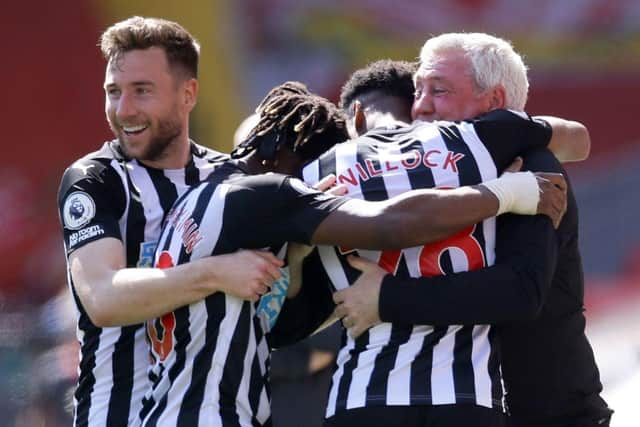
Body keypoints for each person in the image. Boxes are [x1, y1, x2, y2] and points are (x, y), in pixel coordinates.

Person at [139, 82, 565, 426]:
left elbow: (281, 328)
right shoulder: (270, 193)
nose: (309, 185)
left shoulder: (191, 198)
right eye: (305, 173)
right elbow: (390, 224)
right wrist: (508, 193)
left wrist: (301, 258)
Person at [335, 34, 612, 427]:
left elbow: (519, 291)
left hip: (549, 414)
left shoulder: (532, 164)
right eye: (418, 90)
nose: (422, 107)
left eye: (439, 91)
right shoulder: (416, 177)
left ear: (495, 104)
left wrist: (387, 298)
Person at [57, 17, 285, 427]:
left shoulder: (230, 181)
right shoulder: (97, 179)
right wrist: (214, 273)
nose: (123, 110)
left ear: (188, 93)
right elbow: (103, 299)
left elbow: (276, 299)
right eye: (113, 92)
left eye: (141, 91)